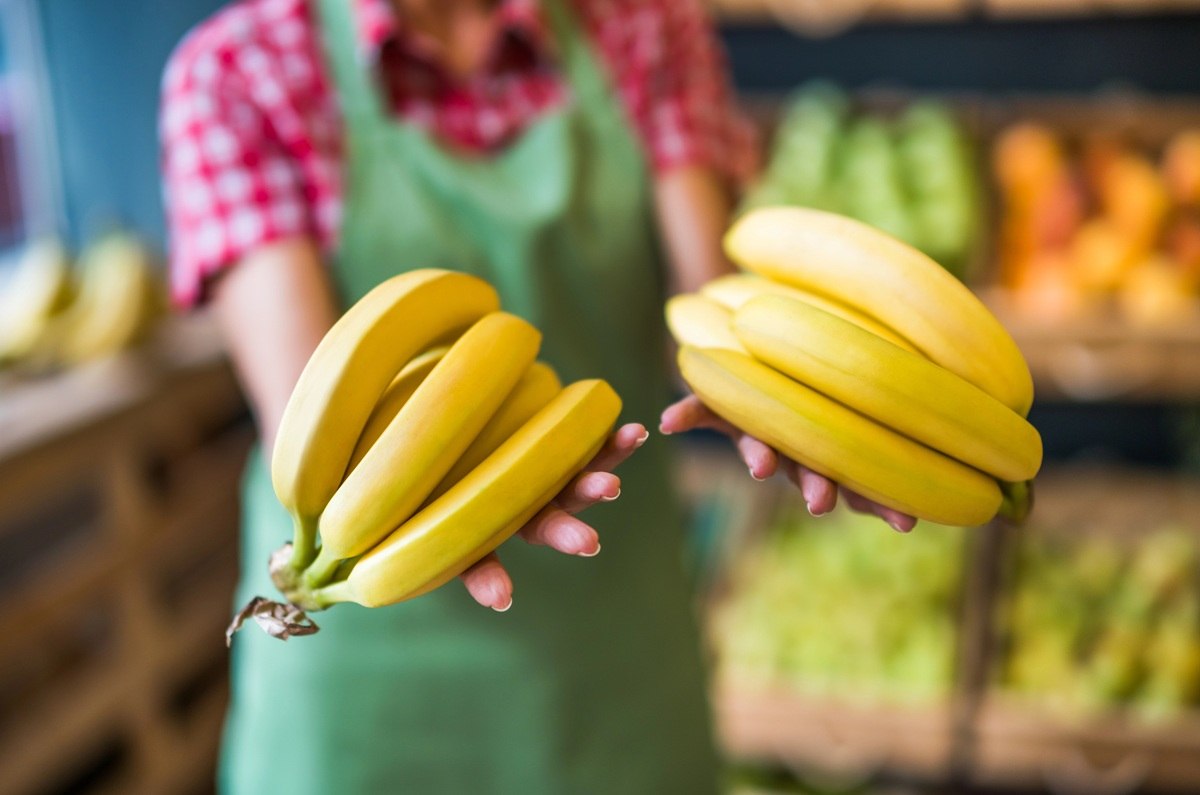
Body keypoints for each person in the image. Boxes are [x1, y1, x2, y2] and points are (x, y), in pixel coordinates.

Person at [160, 0, 915, 791]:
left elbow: (709, 310)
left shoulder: (645, 25)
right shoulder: (239, 72)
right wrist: (474, 499)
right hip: (367, 664)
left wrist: (784, 403)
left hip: (613, 645)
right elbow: (312, 418)